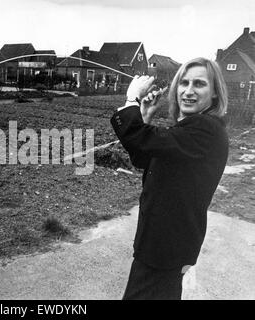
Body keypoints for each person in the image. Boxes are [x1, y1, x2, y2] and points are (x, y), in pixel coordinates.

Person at [111, 58, 229, 300]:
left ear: (215, 93)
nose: (188, 91)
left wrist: (130, 100)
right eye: (184, 83)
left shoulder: (205, 128)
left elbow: (141, 138)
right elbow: (144, 159)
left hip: (164, 248)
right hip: (163, 245)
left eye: (199, 84)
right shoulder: (189, 129)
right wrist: (144, 117)